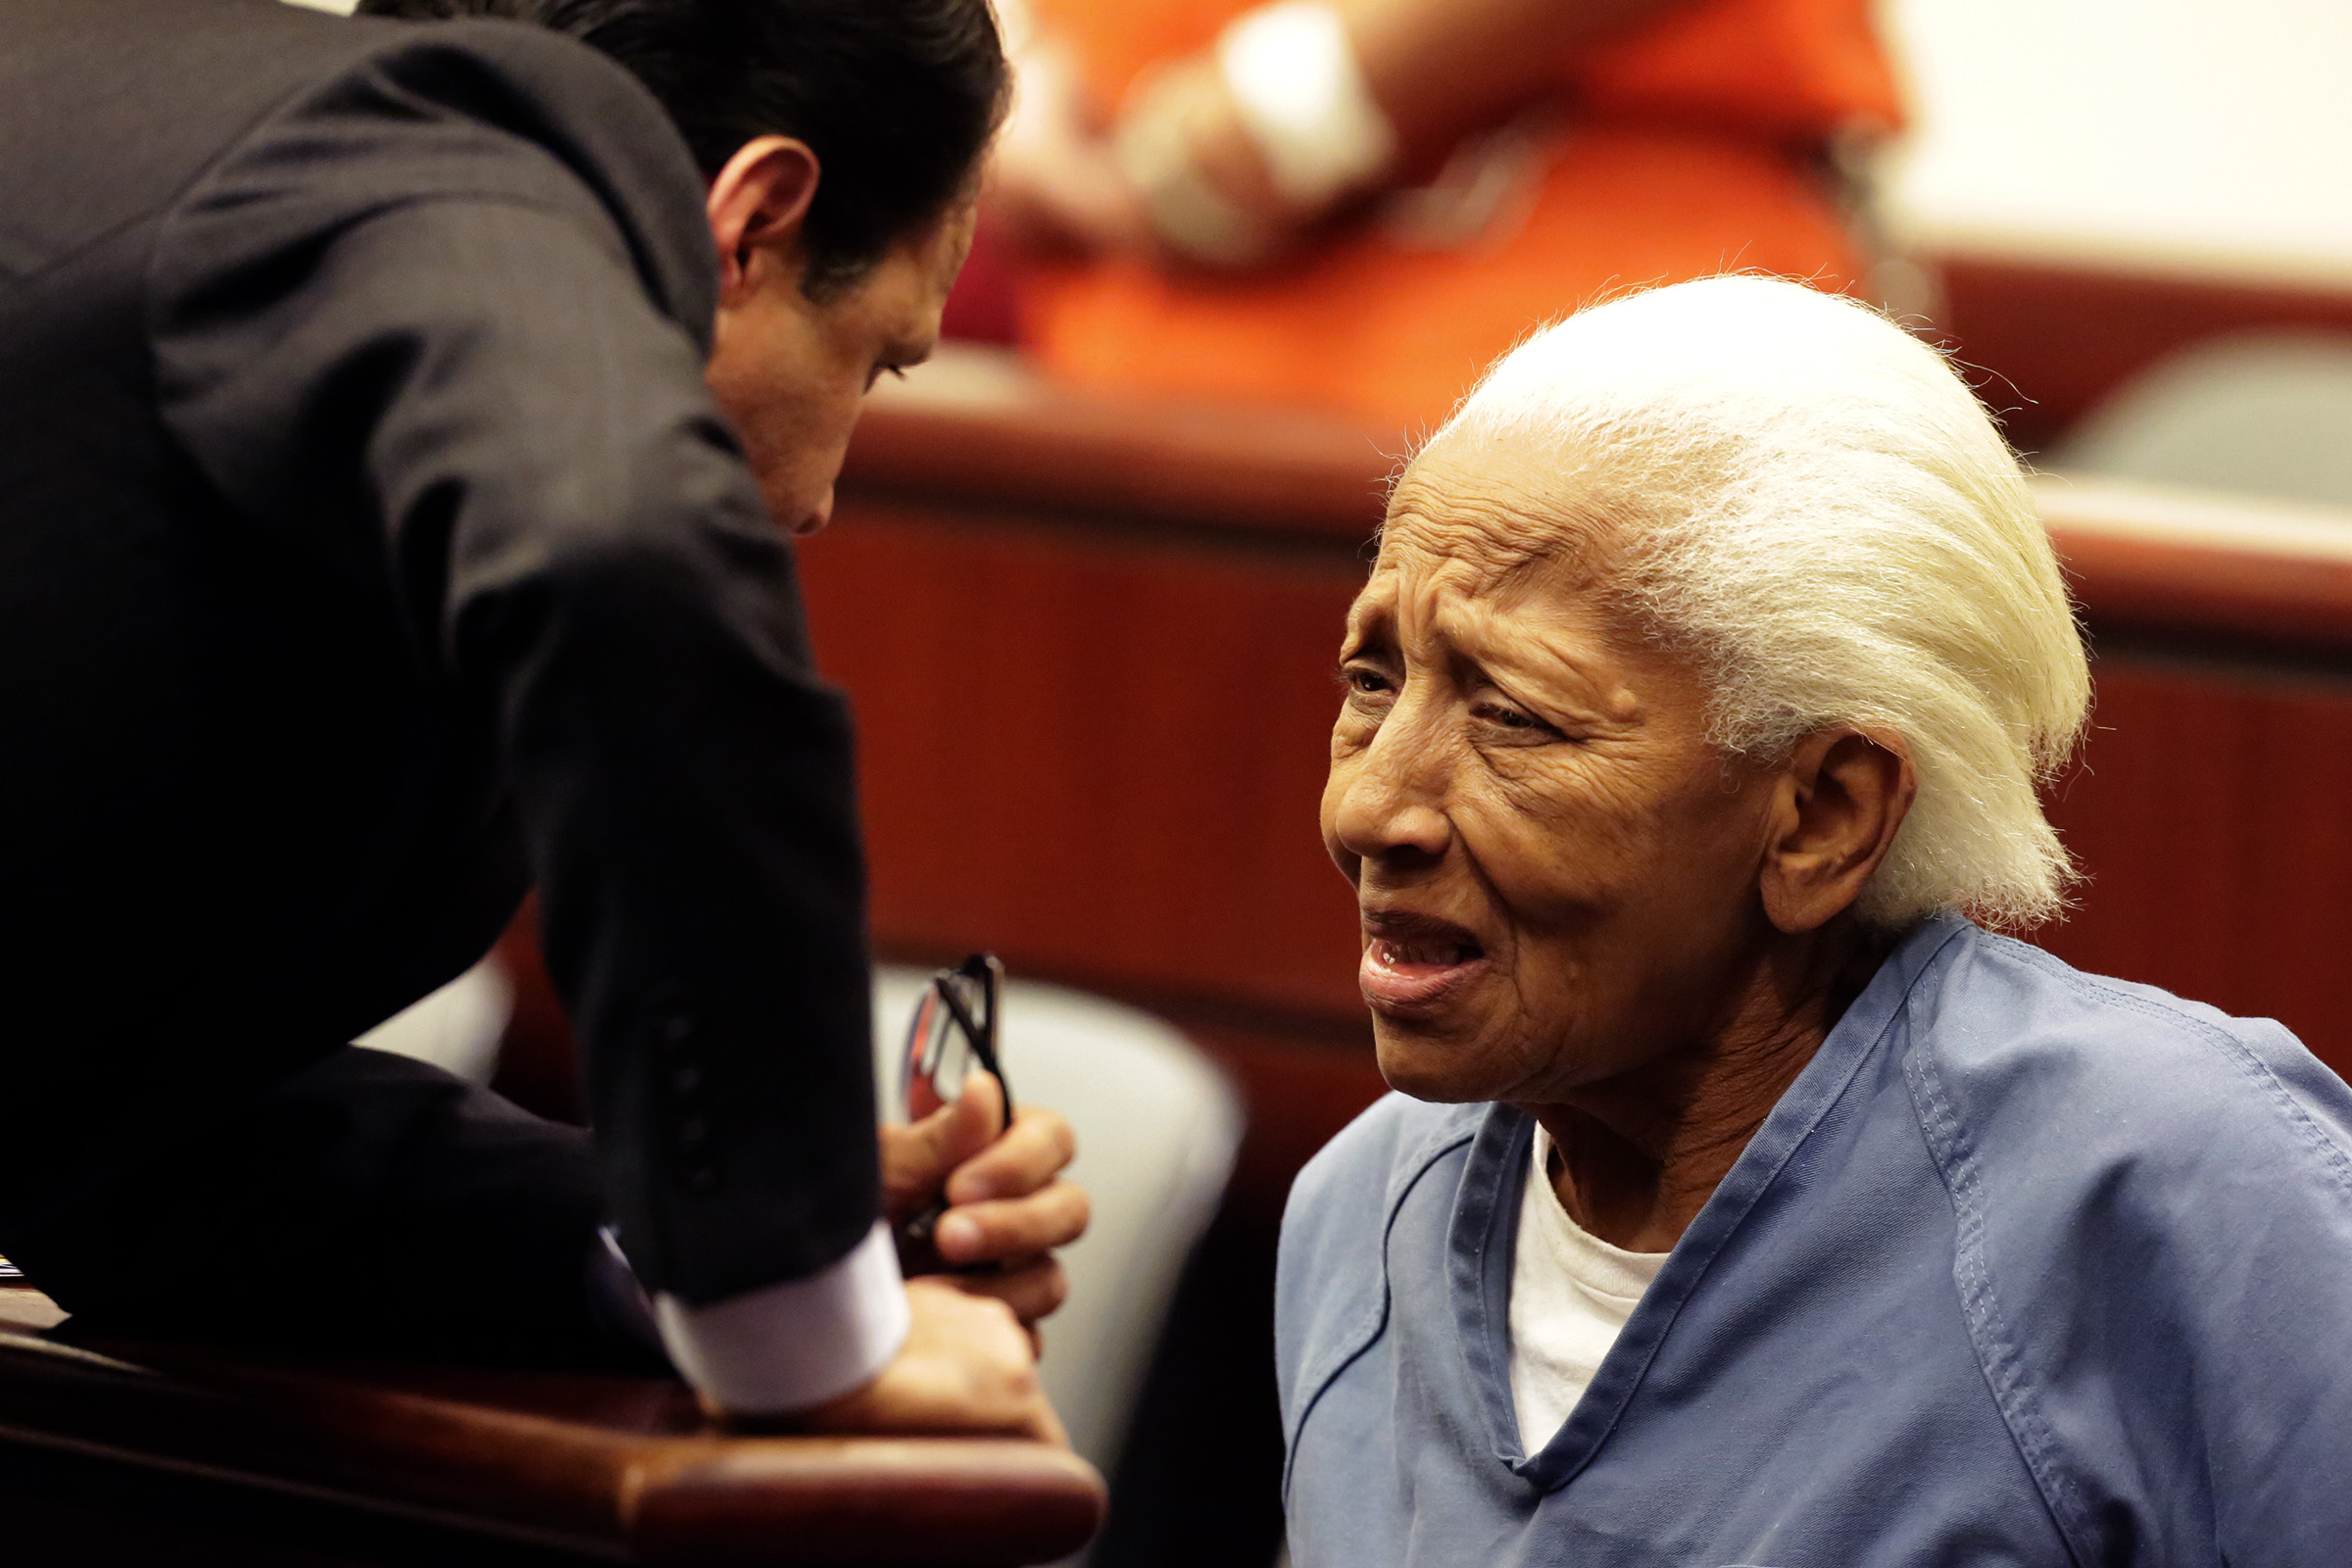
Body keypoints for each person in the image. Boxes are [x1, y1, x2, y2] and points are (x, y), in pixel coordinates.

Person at [0, 0, 1083, 1438]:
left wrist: (677, 1234)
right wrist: (793, 1314)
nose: (821, 499)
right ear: (747, 227)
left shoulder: (216, 287)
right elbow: (624, 553)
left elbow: (111, 1144)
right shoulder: (414, 176)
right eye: (877, 360)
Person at [1277, 274, 2352, 1563]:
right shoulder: (1357, 1219)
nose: (1371, 806)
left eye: (1513, 713)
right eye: (1372, 675)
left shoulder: (2191, 1206)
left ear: (1823, 817)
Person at [987, 0, 1901, 427]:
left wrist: (1293, 106)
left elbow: (1254, 138)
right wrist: (1021, 71)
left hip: (1546, 348)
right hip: (1129, 348)